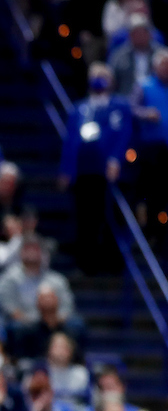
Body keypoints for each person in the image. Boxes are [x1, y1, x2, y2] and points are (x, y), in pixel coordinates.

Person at [59, 63, 132, 274]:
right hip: (85, 172)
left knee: (111, 218)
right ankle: (86, 264)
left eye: (103, 76)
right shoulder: (80, 108)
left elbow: (123, 135)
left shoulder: (119, 105)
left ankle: (113, 264)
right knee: (85, 219)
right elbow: (70, 142)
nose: (99, 79)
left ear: (111, 81)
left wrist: (116, 160)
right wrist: (67, 170)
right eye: (95, 76)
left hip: (110, 172)